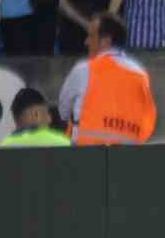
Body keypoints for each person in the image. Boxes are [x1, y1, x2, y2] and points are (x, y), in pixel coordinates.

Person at [57, 14, 157, 146]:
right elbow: (148, 122)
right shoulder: (141, 74)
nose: (86, 42)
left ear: (105, 41)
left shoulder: (84, 70)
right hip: (128, 156)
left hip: (85, 155)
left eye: (91, 36)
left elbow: (63, 112)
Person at [0, 86, 71, 147]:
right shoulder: (63, 143)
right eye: (47, 114)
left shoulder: (5, 145)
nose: (50, 120)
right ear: (36, 115)